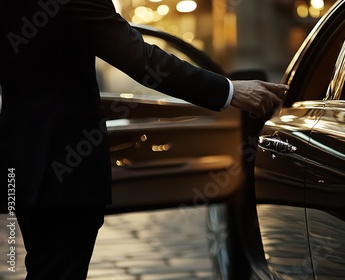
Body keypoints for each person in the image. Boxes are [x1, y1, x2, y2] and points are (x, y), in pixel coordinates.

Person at [0, 0, 288, 279]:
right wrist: (228, 90)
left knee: (45, 264)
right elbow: (139, 57)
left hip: (22, 157)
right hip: (66, 163)